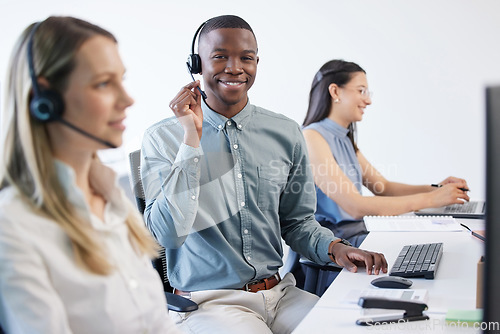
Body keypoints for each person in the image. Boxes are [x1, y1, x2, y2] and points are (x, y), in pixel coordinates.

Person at [141, 15, 387, 334]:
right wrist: (191, 139)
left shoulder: (284, 132)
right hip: (210, 304)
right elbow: (166, 235)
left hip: (280, 295)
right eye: (220, 57)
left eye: (246, 58)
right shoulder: (163, 138)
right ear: (196, 64)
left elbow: (296, 222)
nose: (235, 67)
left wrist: (337, 248)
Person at [0, 17, 182, 334]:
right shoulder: (14, 225)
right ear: (46, 101)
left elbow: (158, 323)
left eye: (121, 80)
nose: (127, 100)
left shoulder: (113, 199)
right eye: (103, 83)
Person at [302, 59, 470, 247]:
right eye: (361, 91)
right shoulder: (312, 137)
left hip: (355, 234)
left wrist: (435, 188)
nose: (368, 100)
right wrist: (430, 199)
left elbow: (383, 186)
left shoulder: (343, 138)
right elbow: (355, 206)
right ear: (335, 91)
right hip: (336, 246)